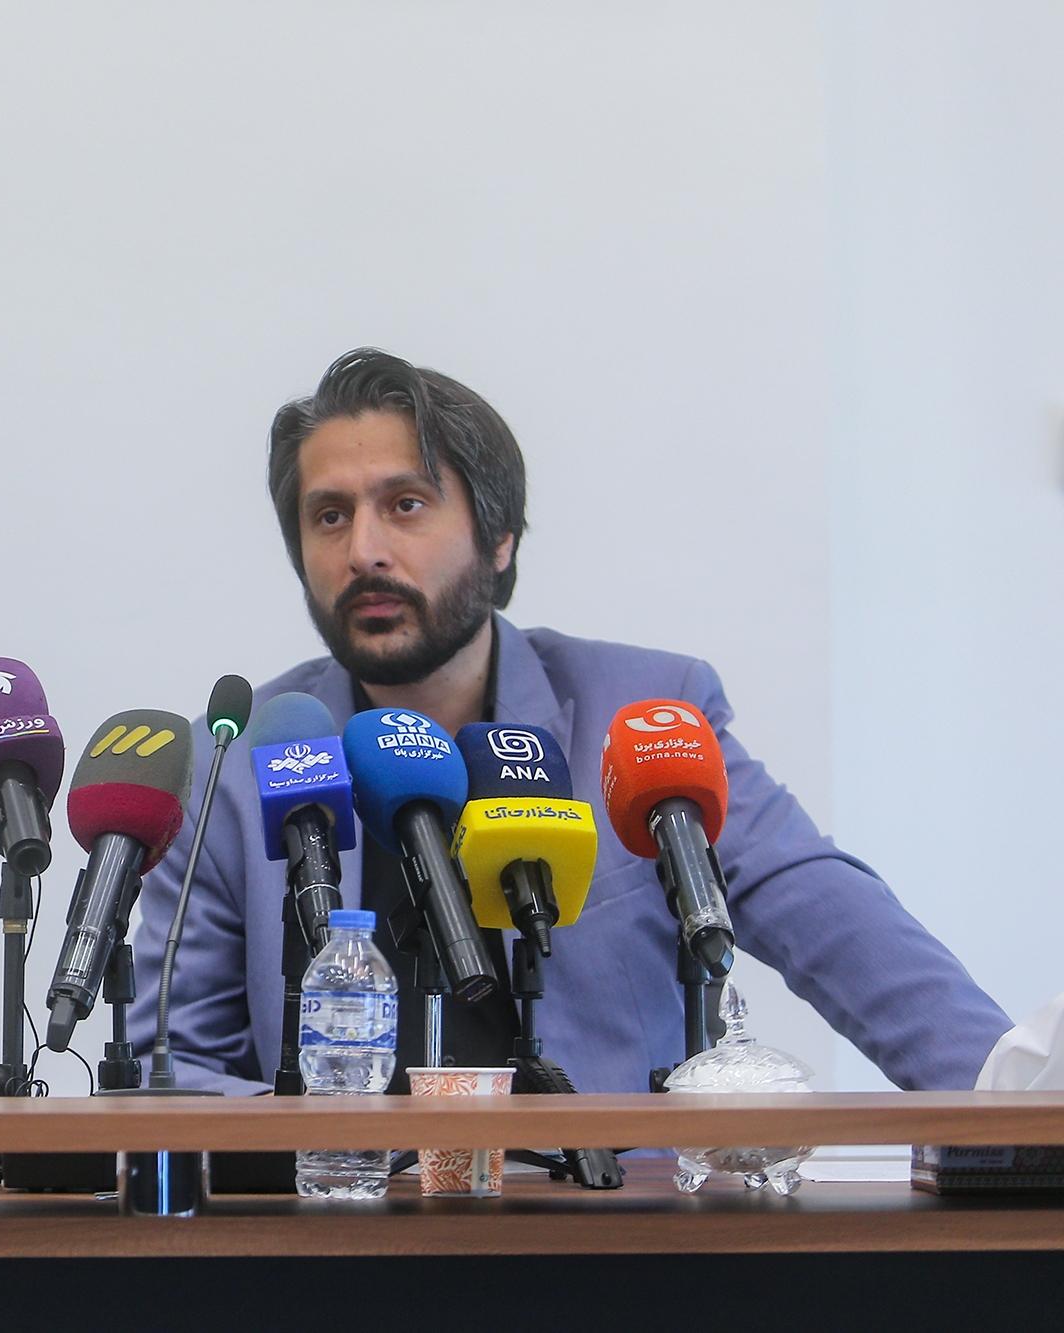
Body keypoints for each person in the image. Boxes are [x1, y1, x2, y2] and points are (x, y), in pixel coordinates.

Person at [130, 349, 1010, 1094]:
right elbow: (175, 1062)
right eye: (330, 516)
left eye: (406, 504)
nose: (363, 550)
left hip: (608, 1220)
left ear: (499, 537)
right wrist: (346, 1153)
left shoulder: (641, 713)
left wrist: (1016, 1115)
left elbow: (836, 926)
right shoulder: (238, 762)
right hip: (345, 1220)